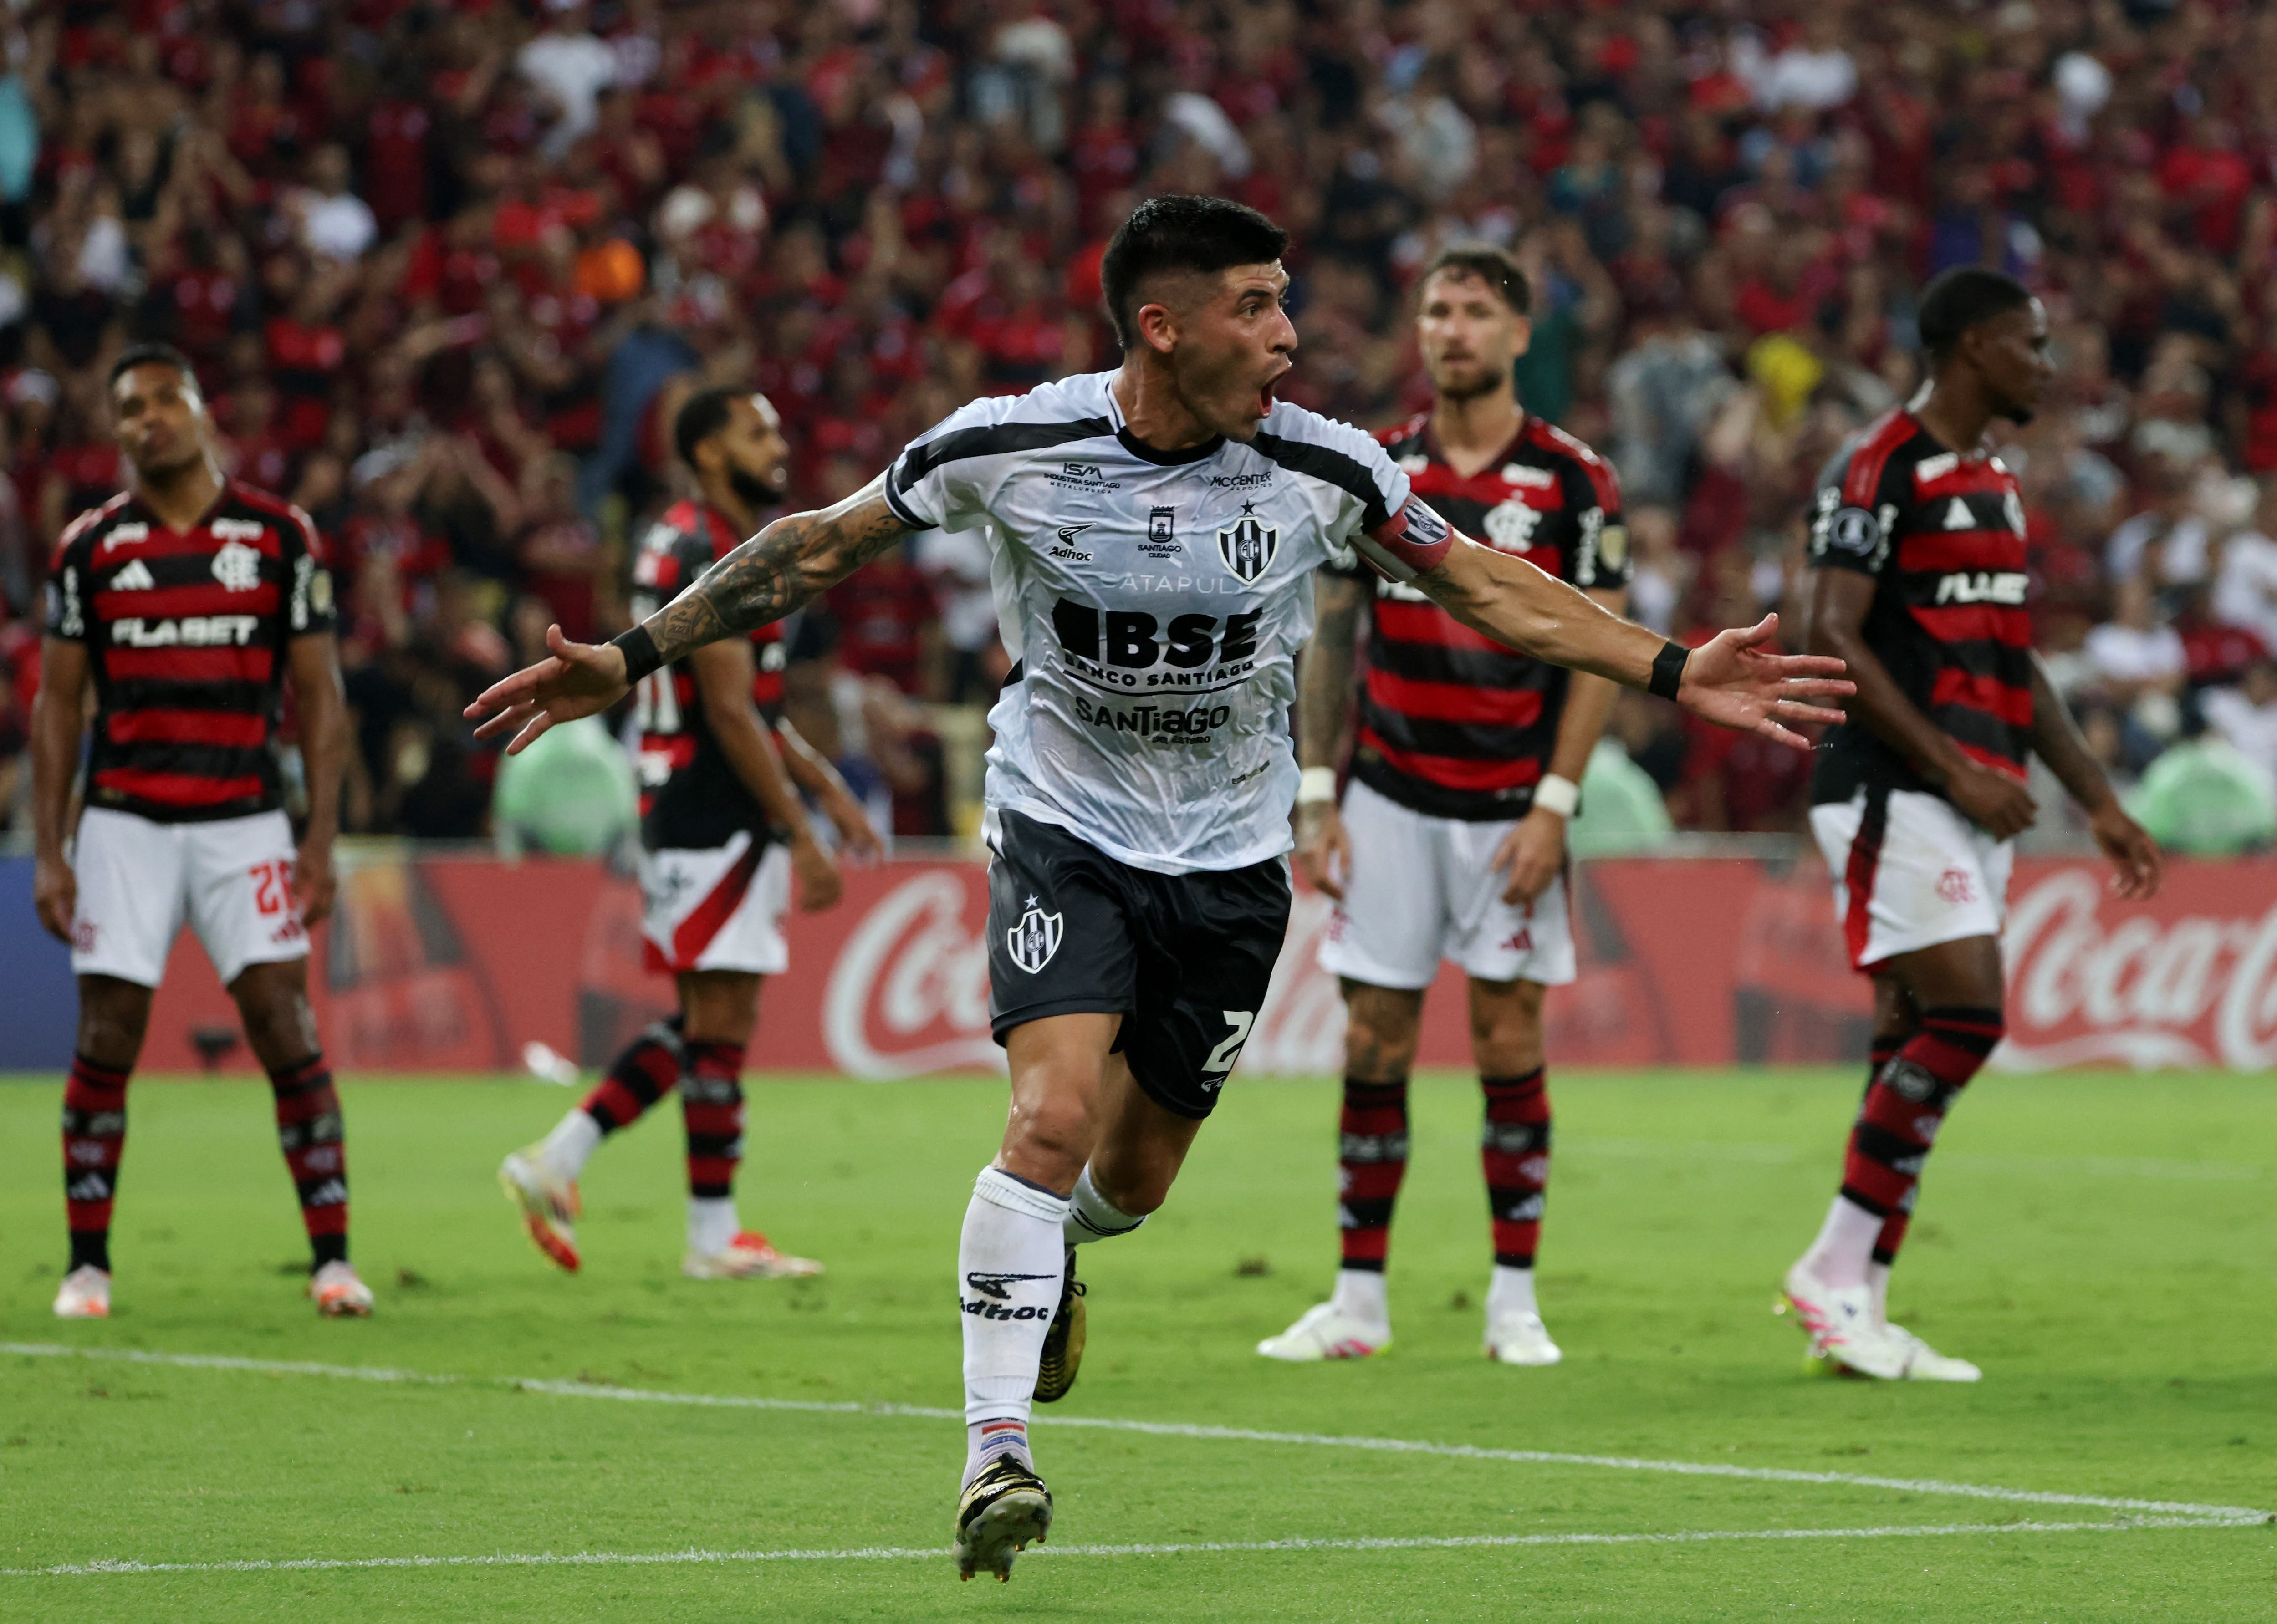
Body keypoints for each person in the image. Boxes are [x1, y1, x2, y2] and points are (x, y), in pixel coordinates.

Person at [463, 196, 1848, 1582]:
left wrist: (1675, 667)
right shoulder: (1013, 443)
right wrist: (632, 657)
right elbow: (812, 547)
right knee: (1049, 1114)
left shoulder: (1333, 468)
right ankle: (993, 1452)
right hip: (1064, 829)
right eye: (1257, 308)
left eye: (1287, 302)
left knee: (1130, 1177)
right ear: (1161, 326)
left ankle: (1056, 1257)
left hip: (1236, 863)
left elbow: (1491, 587)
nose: (1291, 338)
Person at [1789, 268, 2162, 1381]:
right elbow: (1835, 633)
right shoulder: (1878, 465)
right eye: (2030, 345)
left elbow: (2012, 658)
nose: (2046, 365)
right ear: (1971, 350)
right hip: (1892, 789)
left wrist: (2094, 795)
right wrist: (1956, 768)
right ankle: (1827, 1269)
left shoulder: (1993, 480)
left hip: (1968, 791)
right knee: (1969, 1014)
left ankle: (1862, 1301)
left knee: (1911, 1032)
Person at [1262, 246, 1629, 1369]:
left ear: (1520, 334)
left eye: (1473, 311)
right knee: (1373, 1037)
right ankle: (1357, 1296)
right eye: (1434, 310)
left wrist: (1556, 805)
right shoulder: (1379, 470)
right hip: (1388, 798)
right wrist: (1317, 796)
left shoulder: (1574, 482)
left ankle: (1513, 1297)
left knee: (1508, 1034)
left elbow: (1598, 648)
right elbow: (1332, 632)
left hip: (1511, 807)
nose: (1451, 329)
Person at [499, 388, 879, 1279]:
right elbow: (730, 710)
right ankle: (705, 1232)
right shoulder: (709, 546)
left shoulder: (682, 534)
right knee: (722, 1017)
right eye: (757, 432)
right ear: (709, 451)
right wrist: (803, 830)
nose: (778, 445)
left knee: (710, 1018)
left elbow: (753, 703)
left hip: (688, 801)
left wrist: (824, 783)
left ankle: (566, 1160)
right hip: (714, 806)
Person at [29, 343, 370, 1320]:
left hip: (245, 824)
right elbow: (59, 707)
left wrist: (319, 839)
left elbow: (320, 694)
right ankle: (87, 1266)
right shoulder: (90, 547)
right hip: (125, 826)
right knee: (107, 1035)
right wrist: (50, 848)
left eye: (164, 398)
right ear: (117, 429)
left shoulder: (277, 537)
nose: (147, 419)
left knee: (285, 1025)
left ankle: (333, 1260)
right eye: (128, 407)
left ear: (202, 407)